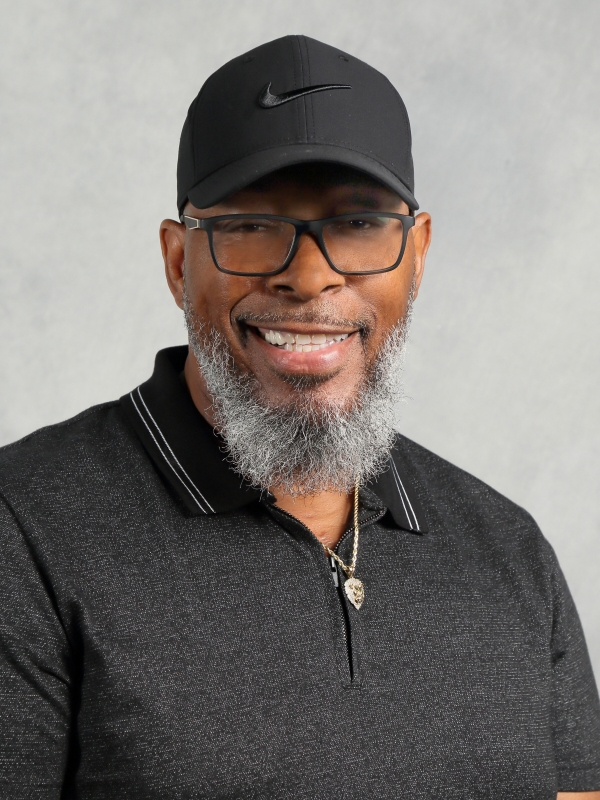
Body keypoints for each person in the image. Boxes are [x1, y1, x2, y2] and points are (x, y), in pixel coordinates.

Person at [0, 34, 598, 800]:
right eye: (252, 224)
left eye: (358, 224)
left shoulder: (511, 552)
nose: (310, 277)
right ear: (179, 262)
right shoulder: (25, 529)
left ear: (416, 256)